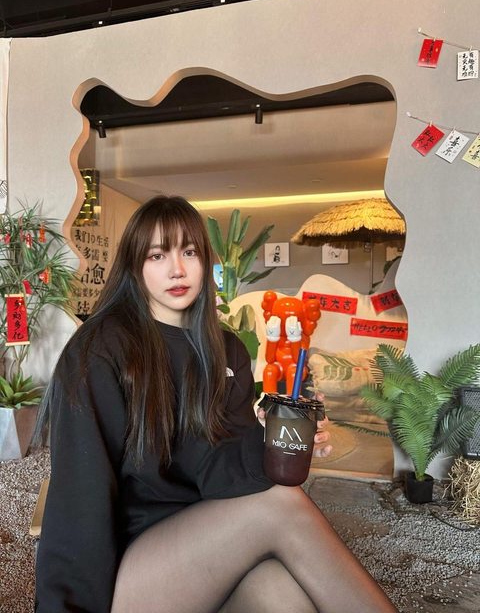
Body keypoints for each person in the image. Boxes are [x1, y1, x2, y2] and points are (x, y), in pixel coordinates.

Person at [34, 195, 398, 613]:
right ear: (135, 265)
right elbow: (80, 493)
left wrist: (268, 440)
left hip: (209, 544)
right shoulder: (100, 349)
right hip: (130, 567)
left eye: (189, 252)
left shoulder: (225, 349)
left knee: (283, 594)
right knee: (280, 503)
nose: (177, 269)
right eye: (158, 255)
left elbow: (217, 472)